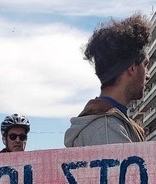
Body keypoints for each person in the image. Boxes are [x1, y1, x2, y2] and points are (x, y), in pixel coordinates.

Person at [64, 14, 150, 148]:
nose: (147, 75)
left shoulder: (109, 124)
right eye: (145, 65)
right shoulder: (107, 128)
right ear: (132, 68)